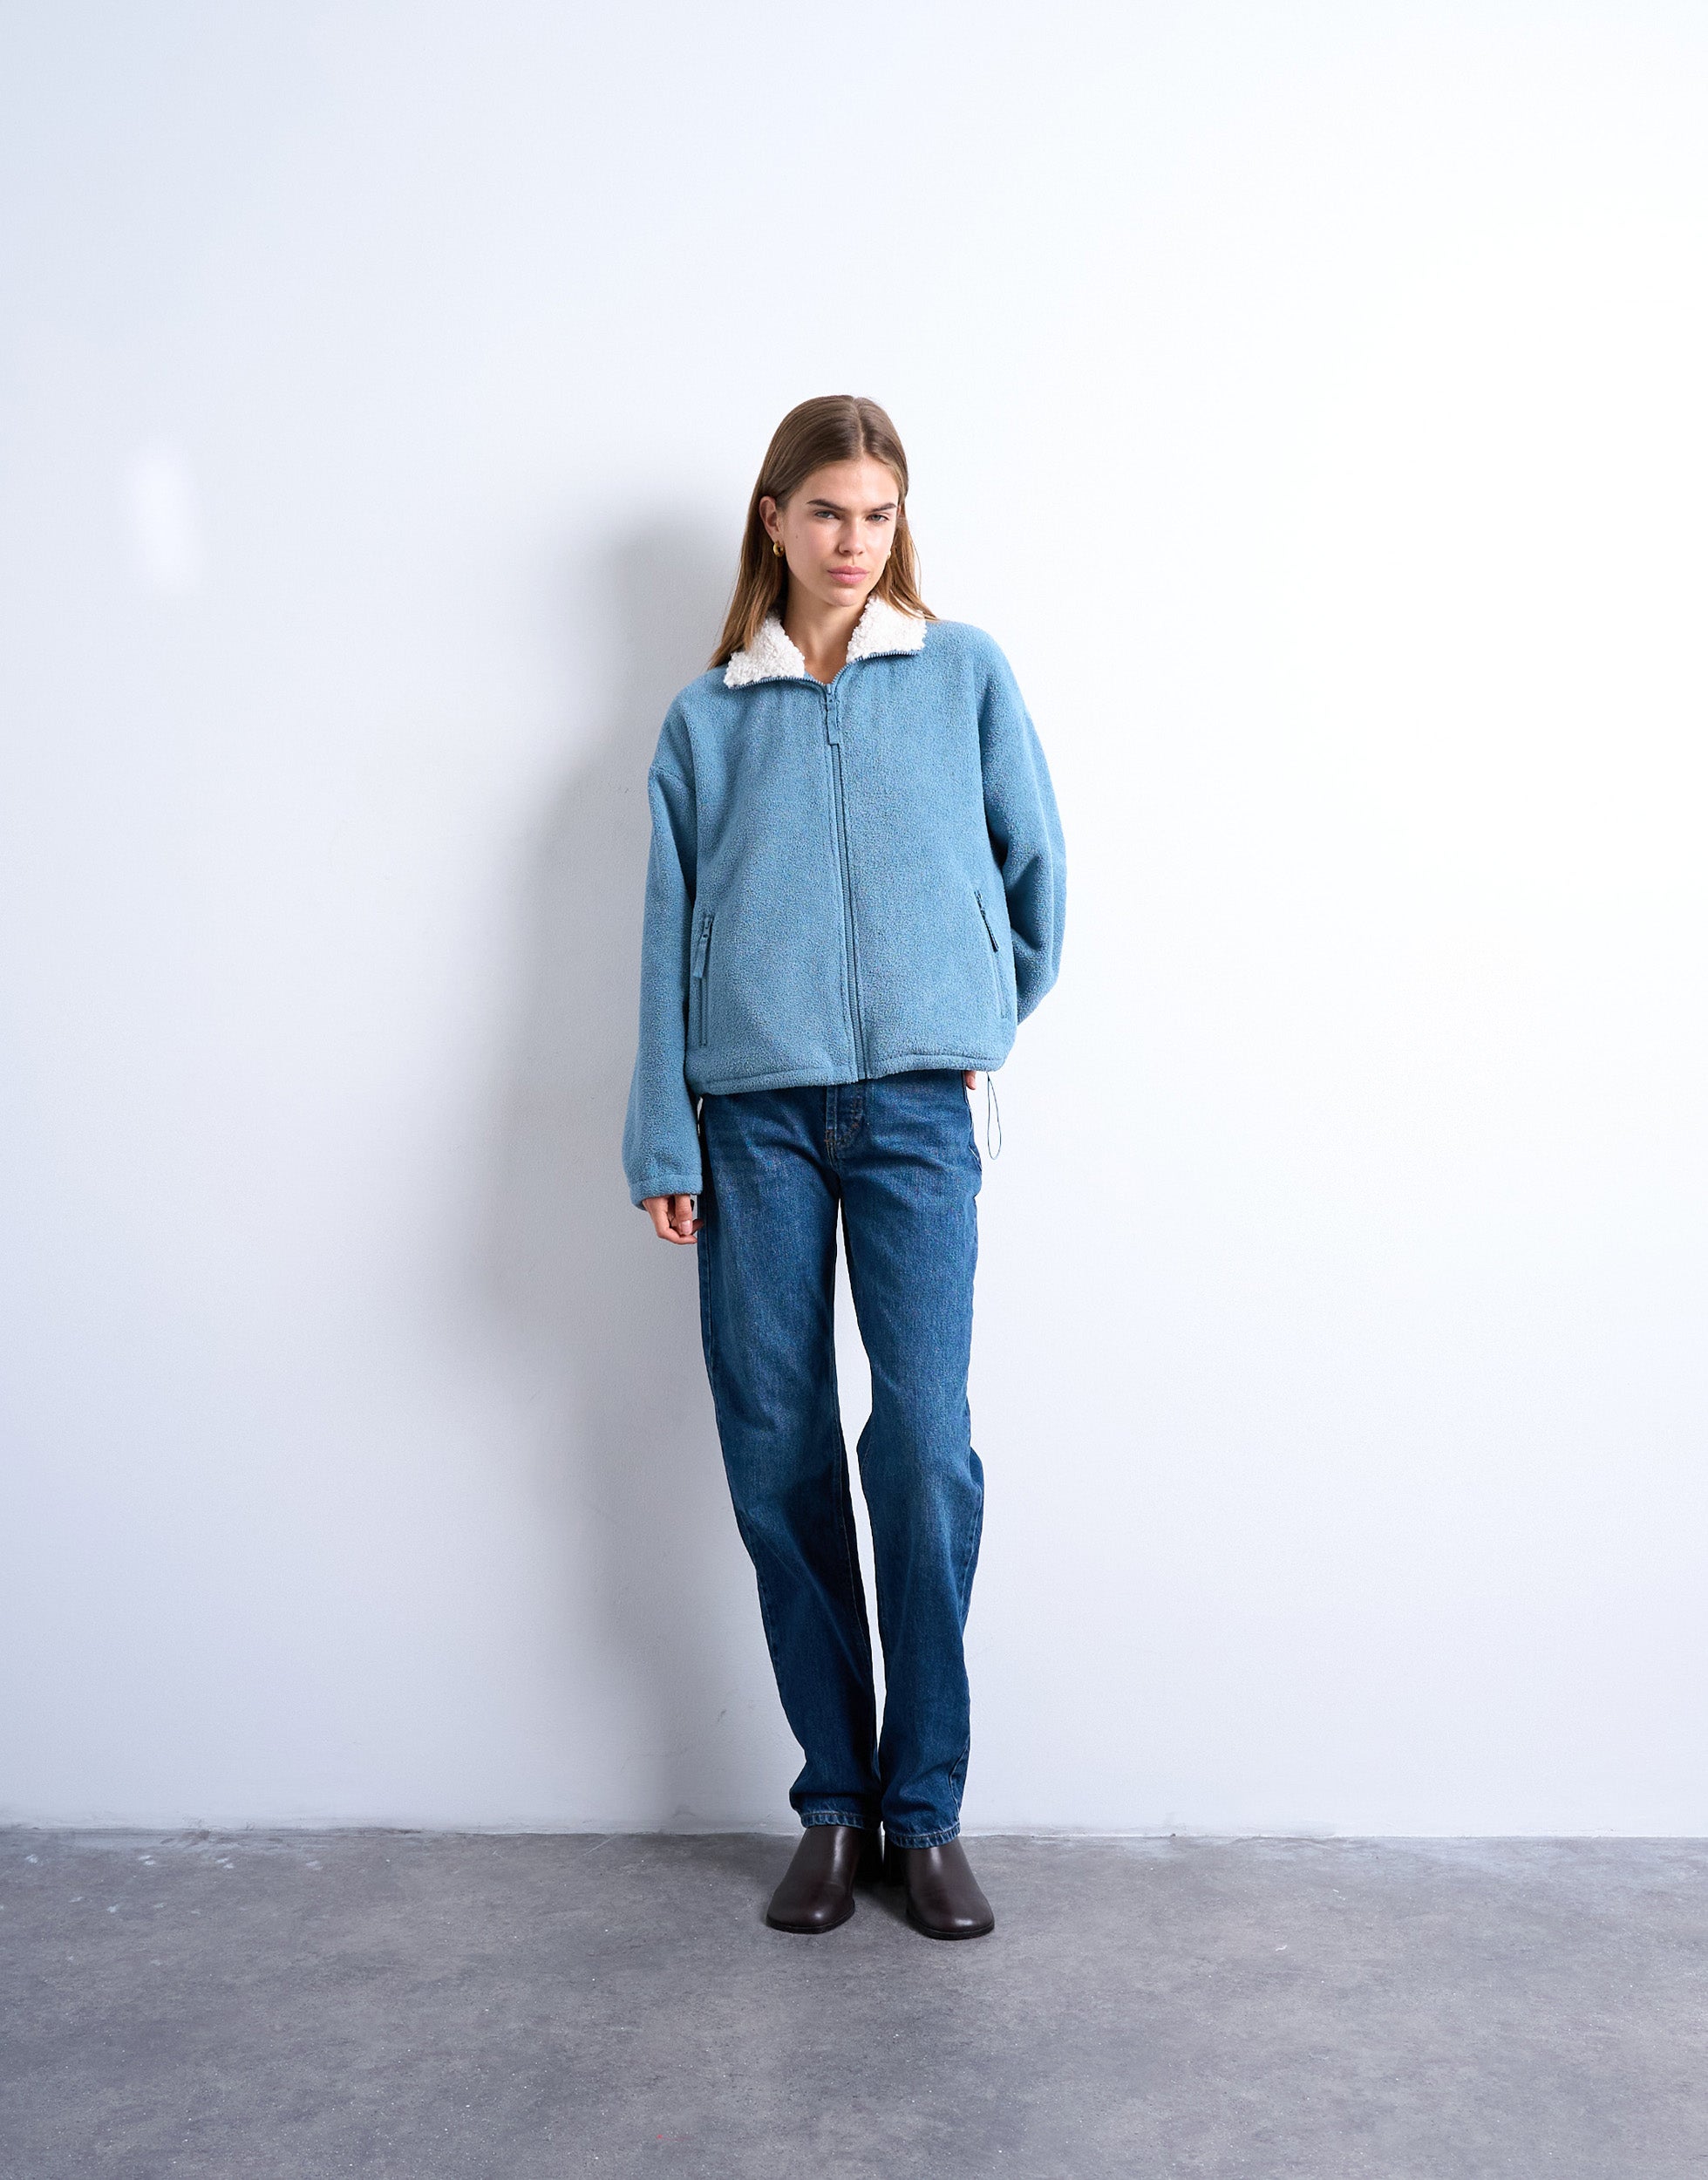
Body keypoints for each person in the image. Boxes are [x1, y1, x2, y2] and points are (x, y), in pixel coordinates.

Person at [621, 394, 1065, 1938]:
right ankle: (835, 1803)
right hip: (750, 1124)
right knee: (780, 1454)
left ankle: (924, 1811)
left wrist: (965, 1013)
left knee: (924, 1449)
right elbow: (667, 937)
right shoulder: (707, 719)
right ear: (774, 519)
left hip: (918, 1120)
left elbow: (1036, 878)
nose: (852, 542)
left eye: (877, 515)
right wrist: (662, 1131)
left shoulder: (963, 674)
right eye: (826, 513)